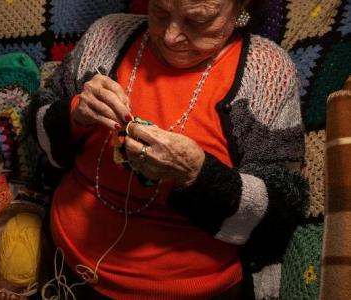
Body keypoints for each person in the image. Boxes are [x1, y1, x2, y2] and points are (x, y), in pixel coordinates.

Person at [33, 0, 307, 299]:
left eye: (198, 21)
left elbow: (281, 213)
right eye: (160, 12)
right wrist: (73, 115)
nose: (169, 36)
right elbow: (38, 126)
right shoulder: (105, 37)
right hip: (62, 265)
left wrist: (197, 175)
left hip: (193, 290)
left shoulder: (269, 73)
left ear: (240, 8)